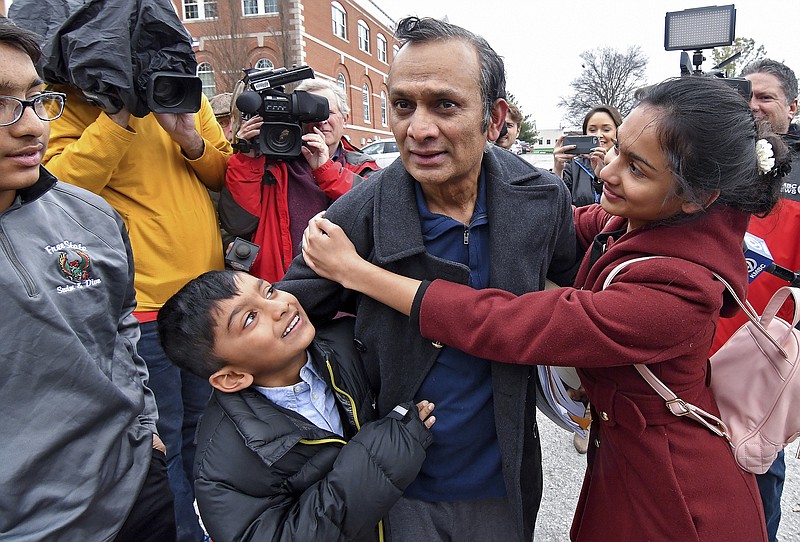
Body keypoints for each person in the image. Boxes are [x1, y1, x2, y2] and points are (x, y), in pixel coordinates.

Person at [301, 75, 790, 542]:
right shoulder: (651, 219)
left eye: (637, 168)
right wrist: (465, 163)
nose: (607, 170)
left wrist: (358, 273)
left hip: (680, 501)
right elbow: (544, 217)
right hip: (632, 465)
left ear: (698, 197)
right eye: (618, 148)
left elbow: (513, 325)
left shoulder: (679, 288)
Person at [278, 16, 579, 542]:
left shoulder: (541, 198)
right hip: (400, 488)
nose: (417, 130)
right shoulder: (357, 215)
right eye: (402, 105)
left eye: (445, 104)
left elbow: (569, 291)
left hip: (504, 479)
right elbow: (287, 317)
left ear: (493, 117)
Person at [43, 52, 232, 542]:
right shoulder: (69, 102)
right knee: (161, 440)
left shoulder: (182, 91)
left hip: (207, 298)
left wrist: (189, 137)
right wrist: (117, 116)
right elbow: (56, 186)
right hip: (143, 307)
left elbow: (223, 173)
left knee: (208, 435)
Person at [0, 21, 175, 541]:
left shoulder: (90, 216)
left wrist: (144, 430)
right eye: (1, 103)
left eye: (35, 99)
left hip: (132, 494)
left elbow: (120, 325)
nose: (31, 126)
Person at [156, 270, 435, 542]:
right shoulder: (222, 466)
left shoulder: (353, 343)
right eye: (250, 318)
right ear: (232, 377)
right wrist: (387, 452)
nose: (280, 306)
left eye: (269, 290)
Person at [712, 57, 800, 542]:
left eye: (764, 96)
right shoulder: (713, 165)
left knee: (757, 500)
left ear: (792, 105)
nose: (753, 106)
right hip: (696, 364)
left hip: (761, 376)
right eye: (745, 95)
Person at [219, 78, 379, 283]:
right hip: (280, 287)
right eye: (311, 112)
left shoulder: (364, 168)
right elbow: (238, 223)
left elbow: (376, 214)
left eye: (328, 112)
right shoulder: (268, 165)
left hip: (342, 293)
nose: (321, 120)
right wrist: (246, 158)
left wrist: (327, 170)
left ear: (345, 119)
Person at [554, 104, 622, 207]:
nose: (598, 135)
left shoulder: (625, 164)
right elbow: (558, 202)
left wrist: (602, 177)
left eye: (606, 130)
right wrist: (557, 169)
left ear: (618, 132)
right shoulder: (573, 164)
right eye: (592, 130)